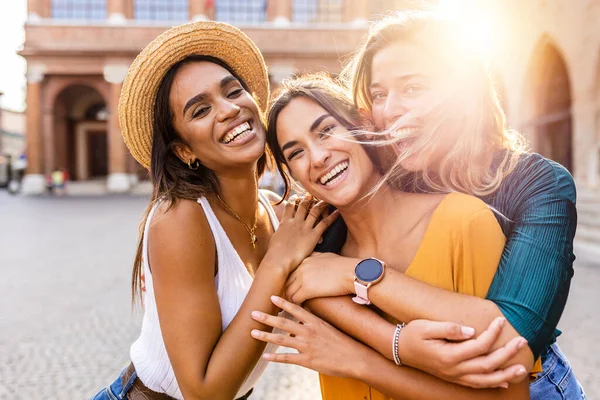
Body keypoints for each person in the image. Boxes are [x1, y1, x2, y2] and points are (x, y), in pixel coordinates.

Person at [253, 11, 585, 400]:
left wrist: (360, 287)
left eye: (413, 88)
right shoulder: (380, 176)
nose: (390, 110)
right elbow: (304, 279)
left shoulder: (537, 186)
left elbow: (509, 345)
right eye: (379, 94)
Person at [91, 21, 337, 400]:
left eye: (233, 91)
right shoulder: (180, 218)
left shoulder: (278, 215)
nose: (228, 110)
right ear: (183, 150)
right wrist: (278, 261)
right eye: (200, 110)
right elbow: (203, 393)